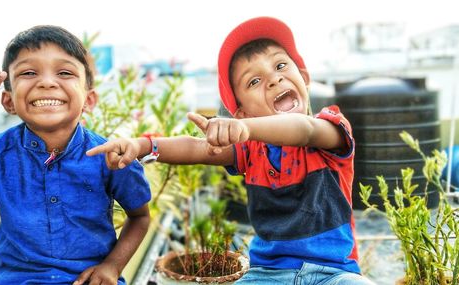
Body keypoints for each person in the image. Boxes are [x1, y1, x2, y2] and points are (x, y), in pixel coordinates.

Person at [87, 17, 374, 284]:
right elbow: (198, 148)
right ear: (242, 113)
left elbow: (304, 130)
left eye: (280, 66)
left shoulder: (330, 129)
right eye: (254, 81)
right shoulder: (251, 150)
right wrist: (143, 145)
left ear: (305, 77)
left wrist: (247, 130)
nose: (274, 79)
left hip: (335, 274)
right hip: (267, 275)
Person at [0, 25, 151, 285]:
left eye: (64, 72)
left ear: (88, 100)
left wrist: (112, 266)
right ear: (8, 102)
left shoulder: (109, 157)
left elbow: (140, 217)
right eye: (29, 72)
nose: (46, 82)